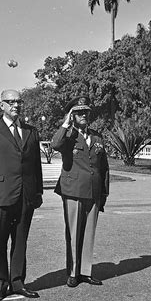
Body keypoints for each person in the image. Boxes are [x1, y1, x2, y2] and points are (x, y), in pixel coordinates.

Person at [0, 89, 43, 301]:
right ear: (1, 105)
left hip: (26, 195)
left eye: (19, 101)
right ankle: (1, 285)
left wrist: (38, 191)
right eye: (10, 101)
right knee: (0, 242)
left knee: (20, 241)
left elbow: (36, 165)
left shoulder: (31, 132)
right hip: (0, 195)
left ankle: (17, 282)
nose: (16, 105)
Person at [51, 95, 109, 288]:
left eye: (86, 112)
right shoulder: (67, 136)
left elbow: (104, 167)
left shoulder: (97, 136)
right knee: (74, 233)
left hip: (93, 191)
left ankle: (85, 271)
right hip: (73, 190)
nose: (83, 115)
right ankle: (73, 272)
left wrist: (104, 193)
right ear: (72, 115)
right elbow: (55, 145)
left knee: (89, 233)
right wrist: (65, 124)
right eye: (78, 112)